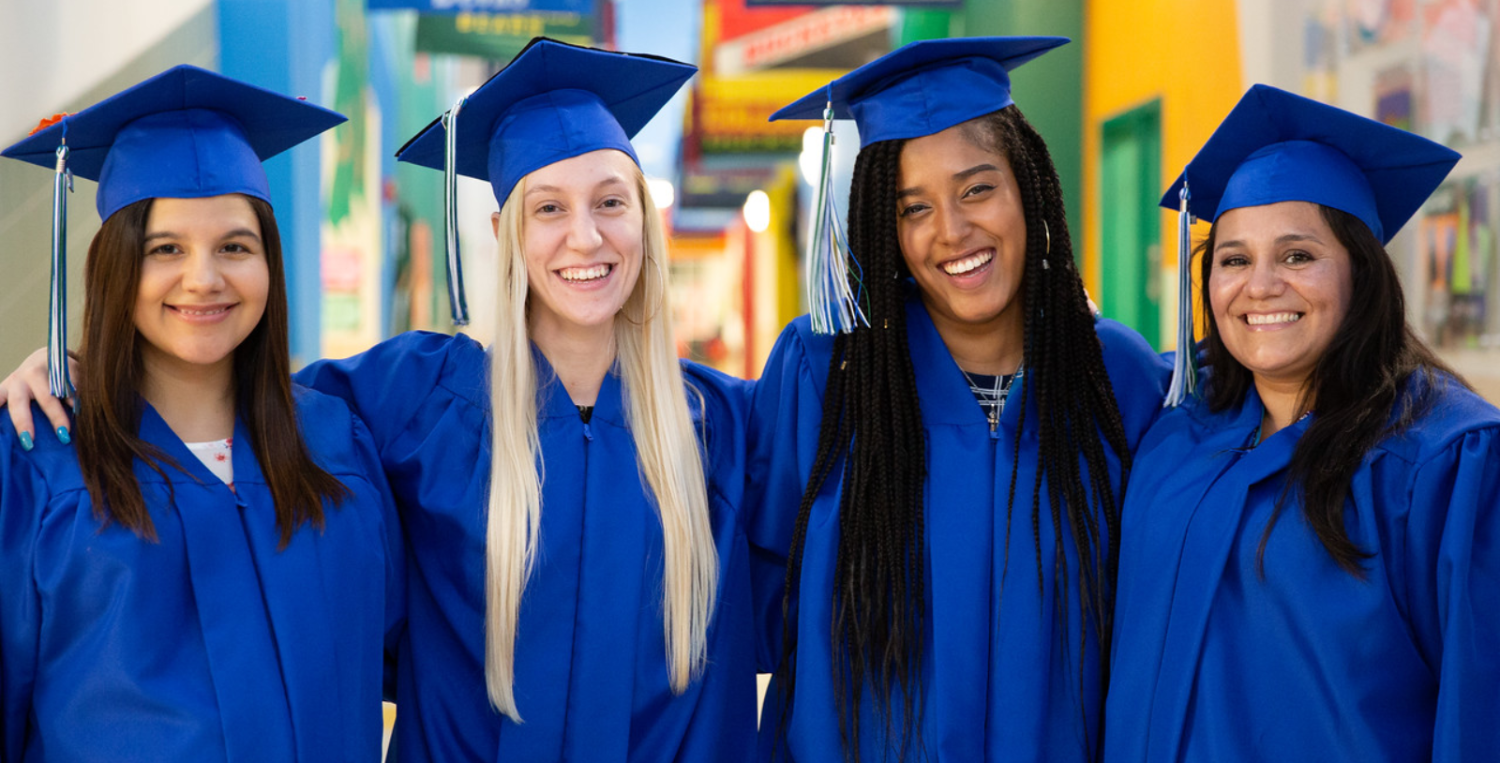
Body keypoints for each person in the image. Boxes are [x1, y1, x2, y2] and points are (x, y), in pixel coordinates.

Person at [0, 38, 759, 761]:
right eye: (547, 207)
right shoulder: (411, 408)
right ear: (503, 231)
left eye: (611, 203)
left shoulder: (729, 429)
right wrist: (70, 366)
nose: (584, 238)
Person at [750, 37, 1170, 762]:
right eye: (914, 208)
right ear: (887, 230)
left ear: (1028, 187)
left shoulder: (1117, 380)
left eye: (977, 188)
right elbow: (758, 600)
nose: (952, 230)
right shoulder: (829, 374)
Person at [0, 65, 403, 762]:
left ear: (269, 264)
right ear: (116, 265)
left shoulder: (336, 443)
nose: (203, 278)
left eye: (234, 247)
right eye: (166, 249)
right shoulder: (40, 457)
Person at [1103, 84, 1500, 761]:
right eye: (1234, 259)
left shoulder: (1443, 463)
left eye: (1297, 255)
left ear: (1362, 275)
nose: (1260, 286)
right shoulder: (1177, 434)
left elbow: (1480, 716)